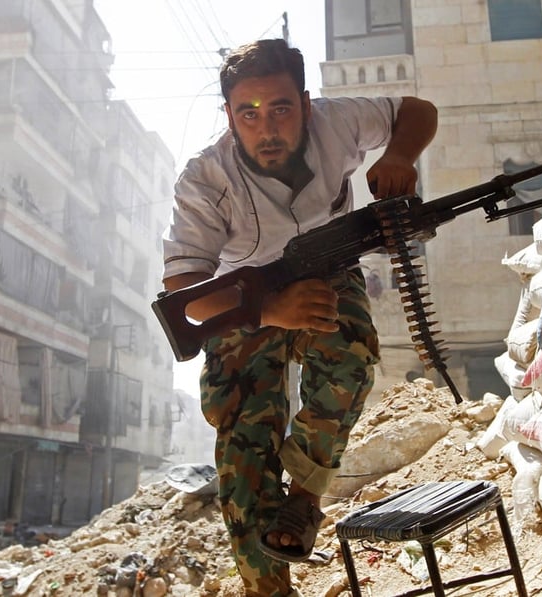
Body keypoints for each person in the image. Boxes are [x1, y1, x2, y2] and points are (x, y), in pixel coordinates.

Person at [161, 39, 438, 597]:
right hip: (240, 300)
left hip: (324, 274)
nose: (267, 129)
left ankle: (306, 498)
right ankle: (268, 589)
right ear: (230, 117)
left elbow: (417, 112)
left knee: (351, 353)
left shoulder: (336, 123)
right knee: (244, 460)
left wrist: (400, 156)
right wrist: (267, 310)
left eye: (281, 109)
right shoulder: (205, 179)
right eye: (249, 114)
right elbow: (184, 291)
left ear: (306, 105)